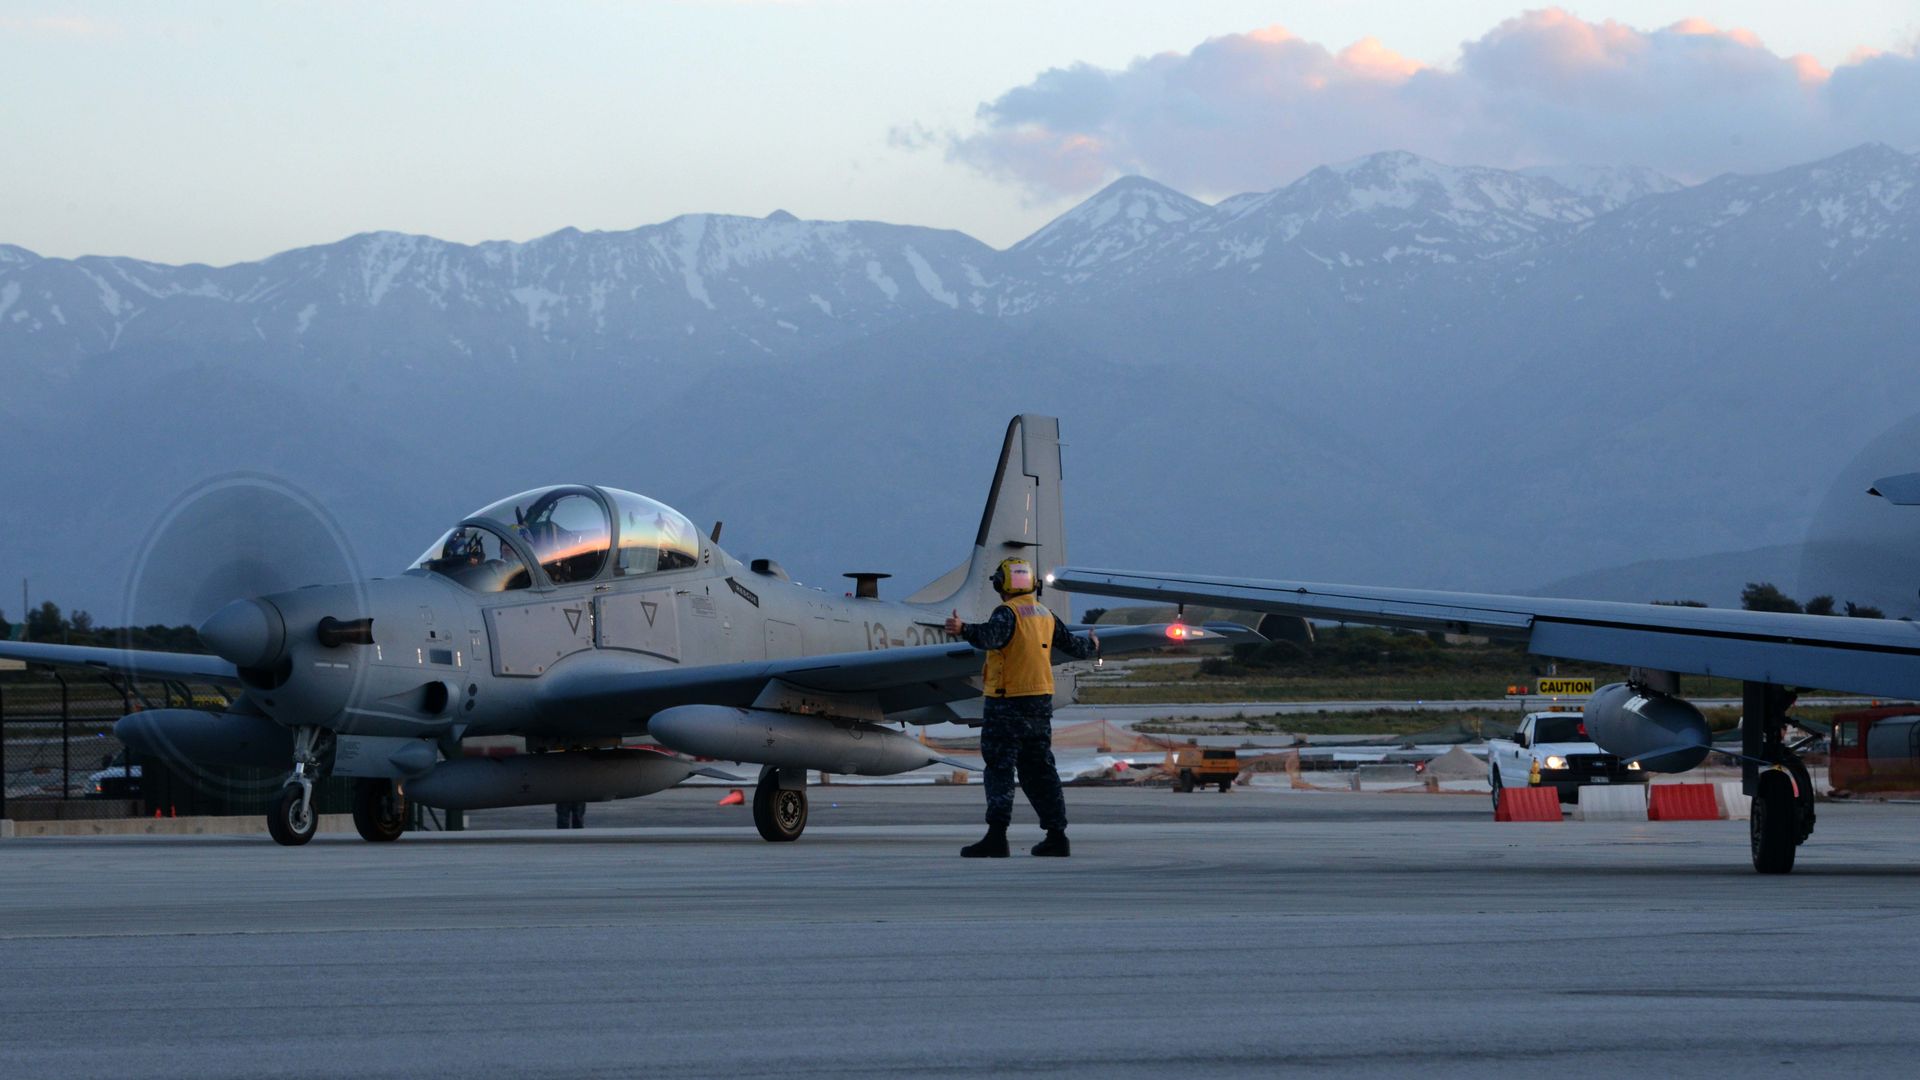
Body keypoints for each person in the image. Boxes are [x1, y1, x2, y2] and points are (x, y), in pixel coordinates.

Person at [945, 558, 1097, 858]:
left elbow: (990, 637)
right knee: (1040, 770)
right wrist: (1095, 645)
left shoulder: (1007, 613)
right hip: (1039, 702)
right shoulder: (1044, 614)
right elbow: (1076, 648)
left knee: (1000, 769)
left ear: (1002, 584)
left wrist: (962, 628)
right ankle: (1057, 836)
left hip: (1007, 702)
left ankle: (997, 837)